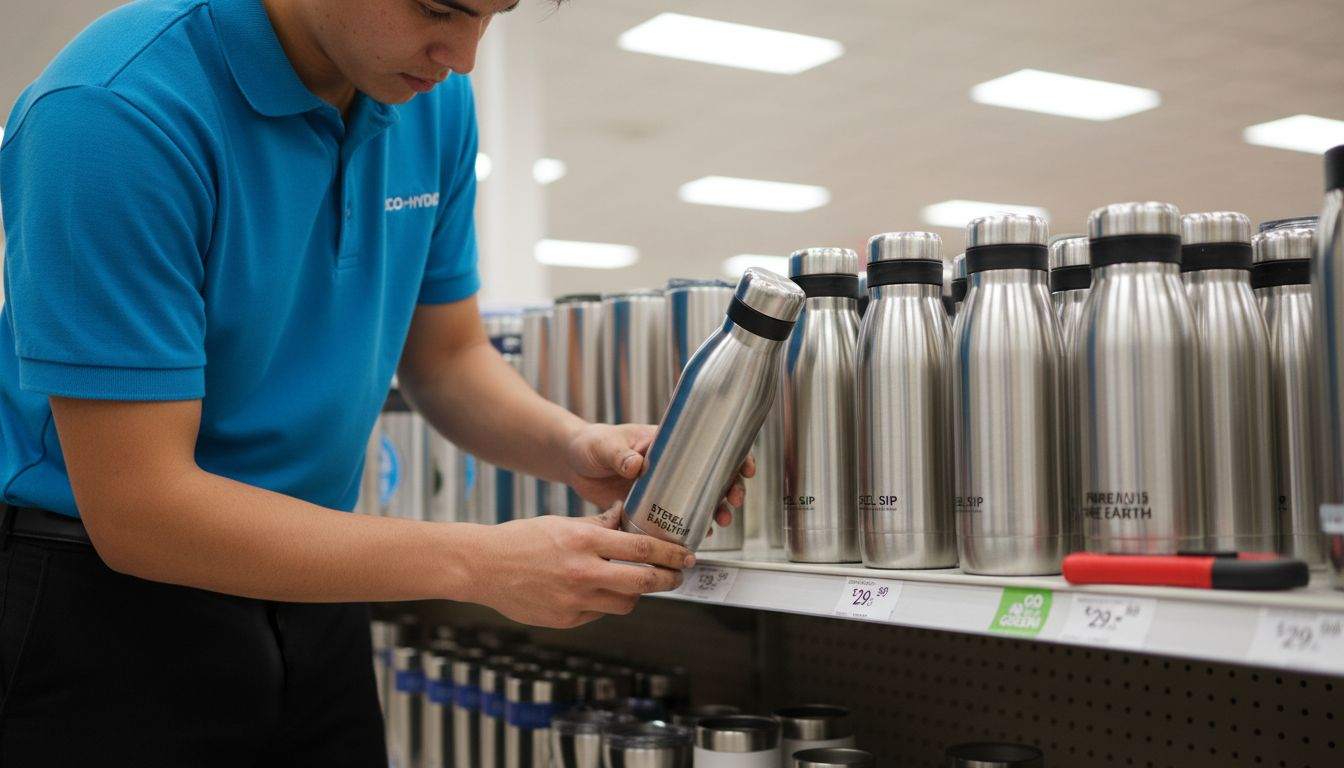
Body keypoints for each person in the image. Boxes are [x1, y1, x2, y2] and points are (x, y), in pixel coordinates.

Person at [0, 0, 747, 764]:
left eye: (491, 15)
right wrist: (478, 563)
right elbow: (140, 509)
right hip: (103, 607)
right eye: (438, 8)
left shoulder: (423, 96)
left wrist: (574, 444)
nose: (462, 56)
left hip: (321, 583)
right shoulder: (110, 115)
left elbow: (448, 360)